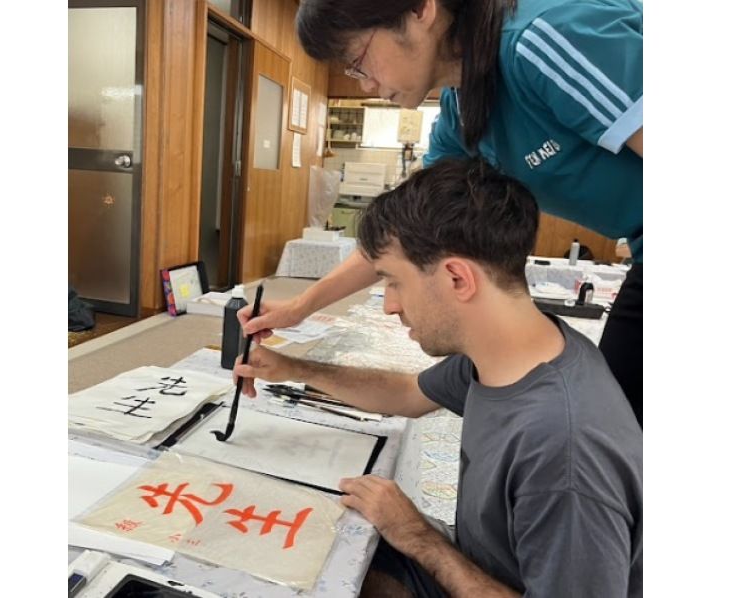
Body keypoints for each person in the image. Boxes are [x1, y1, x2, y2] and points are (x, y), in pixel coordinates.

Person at [234, 158, 642, 597]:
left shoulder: (564, 453)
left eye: (394, 282)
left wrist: (419, 537)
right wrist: (292, 368)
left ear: (456, 278)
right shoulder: (514, 350)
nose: (389, 305)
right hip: (477, 563)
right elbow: (408, 393)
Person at [240, 0, 644, 426]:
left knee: (612, 419)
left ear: (421, 10)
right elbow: (401, 232)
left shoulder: (543, 37)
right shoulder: (461, 111)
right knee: (619, 412)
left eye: (358, 60)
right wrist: (300, 307)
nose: (366, 84)